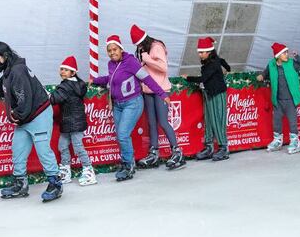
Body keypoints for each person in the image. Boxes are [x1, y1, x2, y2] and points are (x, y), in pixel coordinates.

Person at [0, 42, 63, 202]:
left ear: (5, 56)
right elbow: (2, 85)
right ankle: (20, 183)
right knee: (18, 149)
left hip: (38, 114)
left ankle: (55, 183)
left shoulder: (18, 71)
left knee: (43, 150)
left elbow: (24, 100)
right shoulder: (9, 71)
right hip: (26, 117)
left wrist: (15, 115)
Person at [91, 35, 170, 181]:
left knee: (122, 134)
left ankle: (128, 165)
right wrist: (95, 81)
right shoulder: (111, 64)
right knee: (121, 136)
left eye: (115, 49)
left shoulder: (131, 62)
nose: (112, 52)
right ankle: (128, 161)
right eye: (109, 51)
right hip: (118, 105)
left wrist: (162, 94)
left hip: (132, 103)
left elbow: (146, 78)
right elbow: (111, 79)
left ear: (121, 49)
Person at [130, 24, 185, 170]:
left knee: (162, 121)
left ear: (145, 40)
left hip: (161, 90)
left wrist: (147, 58)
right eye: (137, 45)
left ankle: (177, 151)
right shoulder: (143, 50)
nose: (139, 47)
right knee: (152, 123)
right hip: (148, 91)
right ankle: (154, 152)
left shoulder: (156, 47)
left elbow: (164, 67)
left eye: (140, 44)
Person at [181, 37, 231, 161]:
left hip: (218, 94)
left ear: (209, 52)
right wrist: (227, 69)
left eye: (202, 52)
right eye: (199, 52)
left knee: (218, 120)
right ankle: (209, 147)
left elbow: (203, 78)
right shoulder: (214, 60)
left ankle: (223, 147)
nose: (200, 54)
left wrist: (188, 77)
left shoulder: (213, 64)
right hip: (209, 93)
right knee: (209, 120)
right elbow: (224, 62)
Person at [50, 56, 96, 186]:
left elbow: (54, 99)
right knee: (62, 146)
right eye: (61, 69)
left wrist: (44, 95)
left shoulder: (66, 86)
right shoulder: (74, 84)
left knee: (78, 147)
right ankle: (65, 171)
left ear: (73, 73)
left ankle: (89, 171)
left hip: (74, 122)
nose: (62, 72)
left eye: (65, 70)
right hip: (67, 122)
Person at [256, 42, 300, 154]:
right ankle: (277, 140)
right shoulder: (271, 65)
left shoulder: (292, 63)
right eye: (284, 53)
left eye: (287, 52)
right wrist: (262, 76)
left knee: (292, 122)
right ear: (278, 55)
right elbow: (266, 73)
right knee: (277, 121)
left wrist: (297, 57)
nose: (287, 55)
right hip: (278, 100)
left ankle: (295, 142)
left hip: (290, 99)